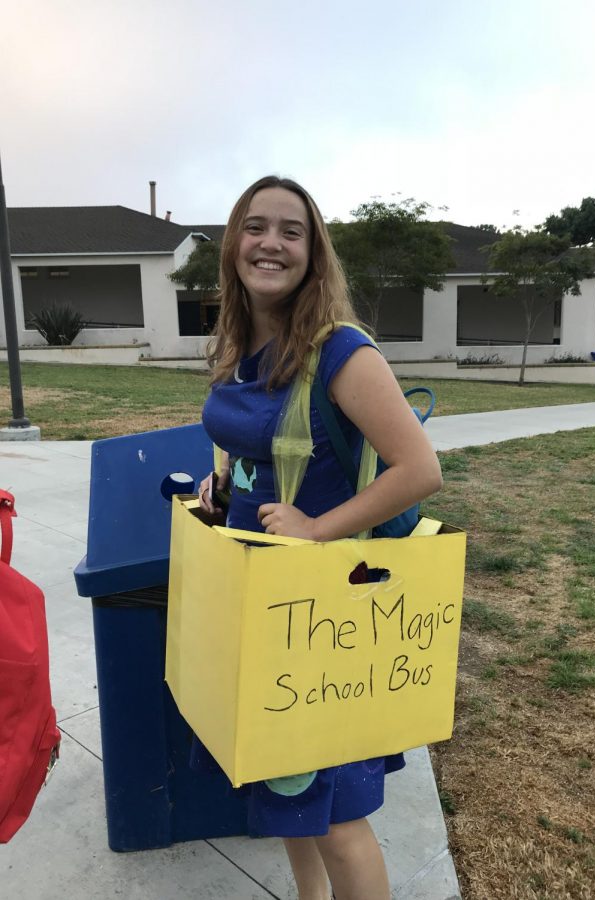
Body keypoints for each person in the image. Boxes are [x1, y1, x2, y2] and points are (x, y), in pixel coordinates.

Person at [196, 175, 442, 900]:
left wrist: (313, 528)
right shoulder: (243, 346)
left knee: (336, 816)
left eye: (290, 231)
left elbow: (419, 469)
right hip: (263, 600)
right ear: (234, 242)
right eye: (255, 226)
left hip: (325, 613)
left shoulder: (341, 353)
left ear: (312, 252)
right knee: (288, 793)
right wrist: (226, 484)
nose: (270, 242)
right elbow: (257, 446)